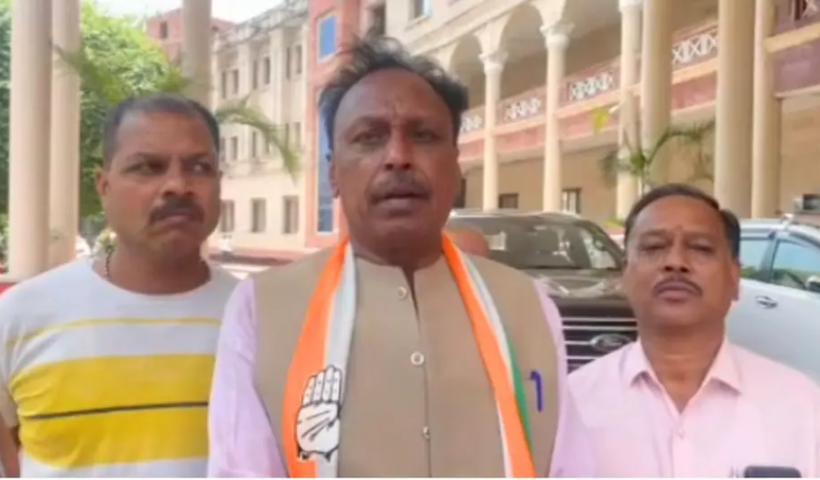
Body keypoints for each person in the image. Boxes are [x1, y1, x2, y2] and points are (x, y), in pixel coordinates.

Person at [208, 36, 594, 477]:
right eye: (369, 138)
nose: (397, 157)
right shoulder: (261, 311)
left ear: (456, 167)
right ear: (333, 173)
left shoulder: (528, 307)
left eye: (423, 135)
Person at [0, 94, 238, 477]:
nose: (178, 185)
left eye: (199, 167)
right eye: (147, 167)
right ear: (104, 186)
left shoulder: (257, 319)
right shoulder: (21, 316)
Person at [570, 183, 820, 477]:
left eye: (700, 248)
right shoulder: (572, 406)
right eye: (654, 247)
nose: (675, 262)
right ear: (625, 273)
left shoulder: (803, 406)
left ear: (734, 277)